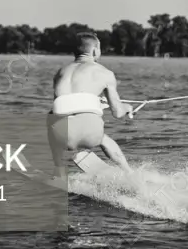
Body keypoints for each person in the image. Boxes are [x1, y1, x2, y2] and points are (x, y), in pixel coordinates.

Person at [47, 32, 133, 178]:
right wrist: (127, 108)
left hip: (61, 136)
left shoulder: (60, 73)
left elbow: (62, 106)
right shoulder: (105, 73)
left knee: (52, 119)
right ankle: (129, 173)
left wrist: (96, 103)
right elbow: (117, 113)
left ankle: (59, 171)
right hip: (91, 135)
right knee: (104, 140)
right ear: (95, 50)